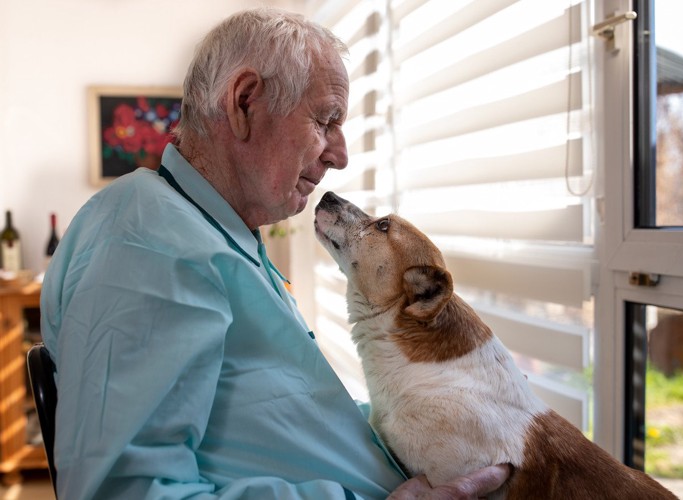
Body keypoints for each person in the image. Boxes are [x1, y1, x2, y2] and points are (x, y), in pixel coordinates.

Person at [40, 8, 510, 499]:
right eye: (326, 120)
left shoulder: (212, 230)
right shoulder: (152, 242)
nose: (341, 154)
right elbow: (126, 493)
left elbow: (275, 415)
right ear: (244, 102)